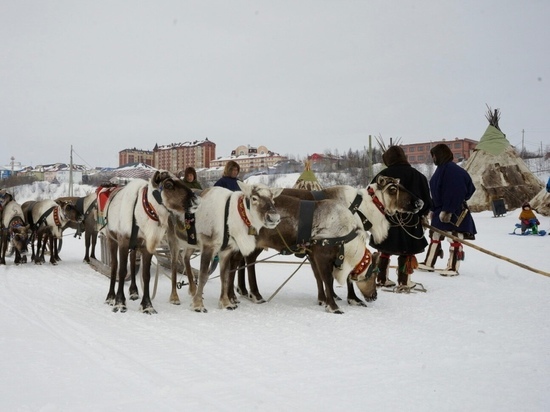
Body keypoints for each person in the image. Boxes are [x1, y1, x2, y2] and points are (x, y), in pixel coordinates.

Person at [369, 145, 432, 291]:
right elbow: (426, 201)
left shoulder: (381, 177)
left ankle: (382, 278)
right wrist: (422, 215)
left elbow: (371, 199)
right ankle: (404, 282)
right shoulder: (418, 176)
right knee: (407, 251)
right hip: (411, 223)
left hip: (386, 222)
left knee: (384, 250)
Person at [418, 143, 477, 276]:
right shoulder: (442, 169)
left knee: (454, 237)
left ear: (439, 155)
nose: (433, 158)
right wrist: (433, 207)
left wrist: (448, 209)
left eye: (433, 155)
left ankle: (452, 267)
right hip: (440, 210)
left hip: (454, 211)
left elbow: (457, 191)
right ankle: (429, 263)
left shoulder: (452, 170)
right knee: (435, 235)